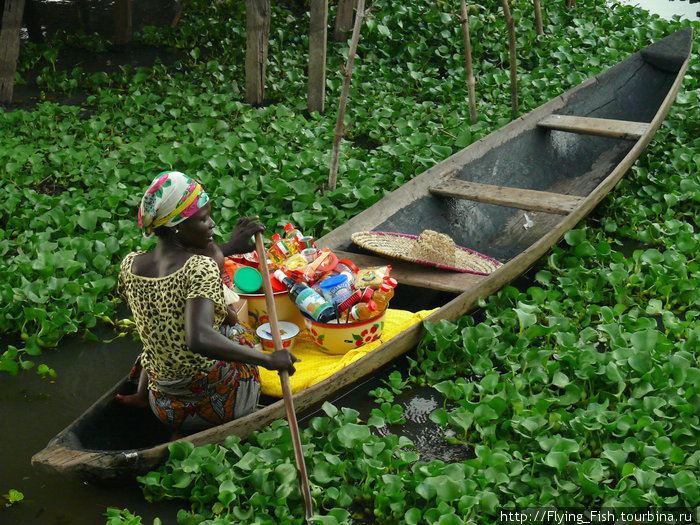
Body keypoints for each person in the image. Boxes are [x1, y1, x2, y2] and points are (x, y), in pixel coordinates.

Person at [116, 170, 298, 433]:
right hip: (213, 406)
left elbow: (173, 277)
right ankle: (235, 410)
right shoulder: (201, 267)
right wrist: (268, 359)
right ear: (177, 226)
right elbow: (201, 337)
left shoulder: (130, 264)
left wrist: (230, 247)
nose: (212, 224)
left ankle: (143, 397)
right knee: (237, 331)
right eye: (203, 219)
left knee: (157, 336)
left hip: (163, 405)